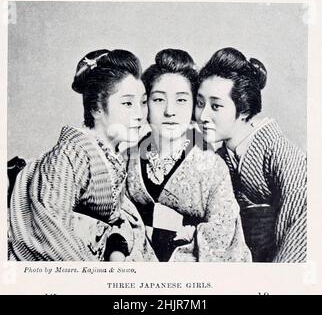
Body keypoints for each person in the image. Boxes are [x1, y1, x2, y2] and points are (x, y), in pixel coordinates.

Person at [8, 49, 157, 262]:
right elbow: (50, 224)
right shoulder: (70, 155)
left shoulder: (112, 158)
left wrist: (116, 246)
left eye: (142, 103)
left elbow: (117, 221)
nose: (140, 115)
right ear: (96, 108)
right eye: (127, 103)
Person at [126, 48, 251, 262]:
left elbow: (223, 236)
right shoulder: (129, 157)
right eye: (158, 100)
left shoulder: (212, 166)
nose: (170, 111)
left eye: (181, 100)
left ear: (194, 105)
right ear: (145, 104)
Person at [195, 47, 307, 262]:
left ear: (244, 109)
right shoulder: (220, 159)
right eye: (200, 103)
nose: (203, 115)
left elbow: (306, 216)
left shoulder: (278, 151)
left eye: (216, 106)